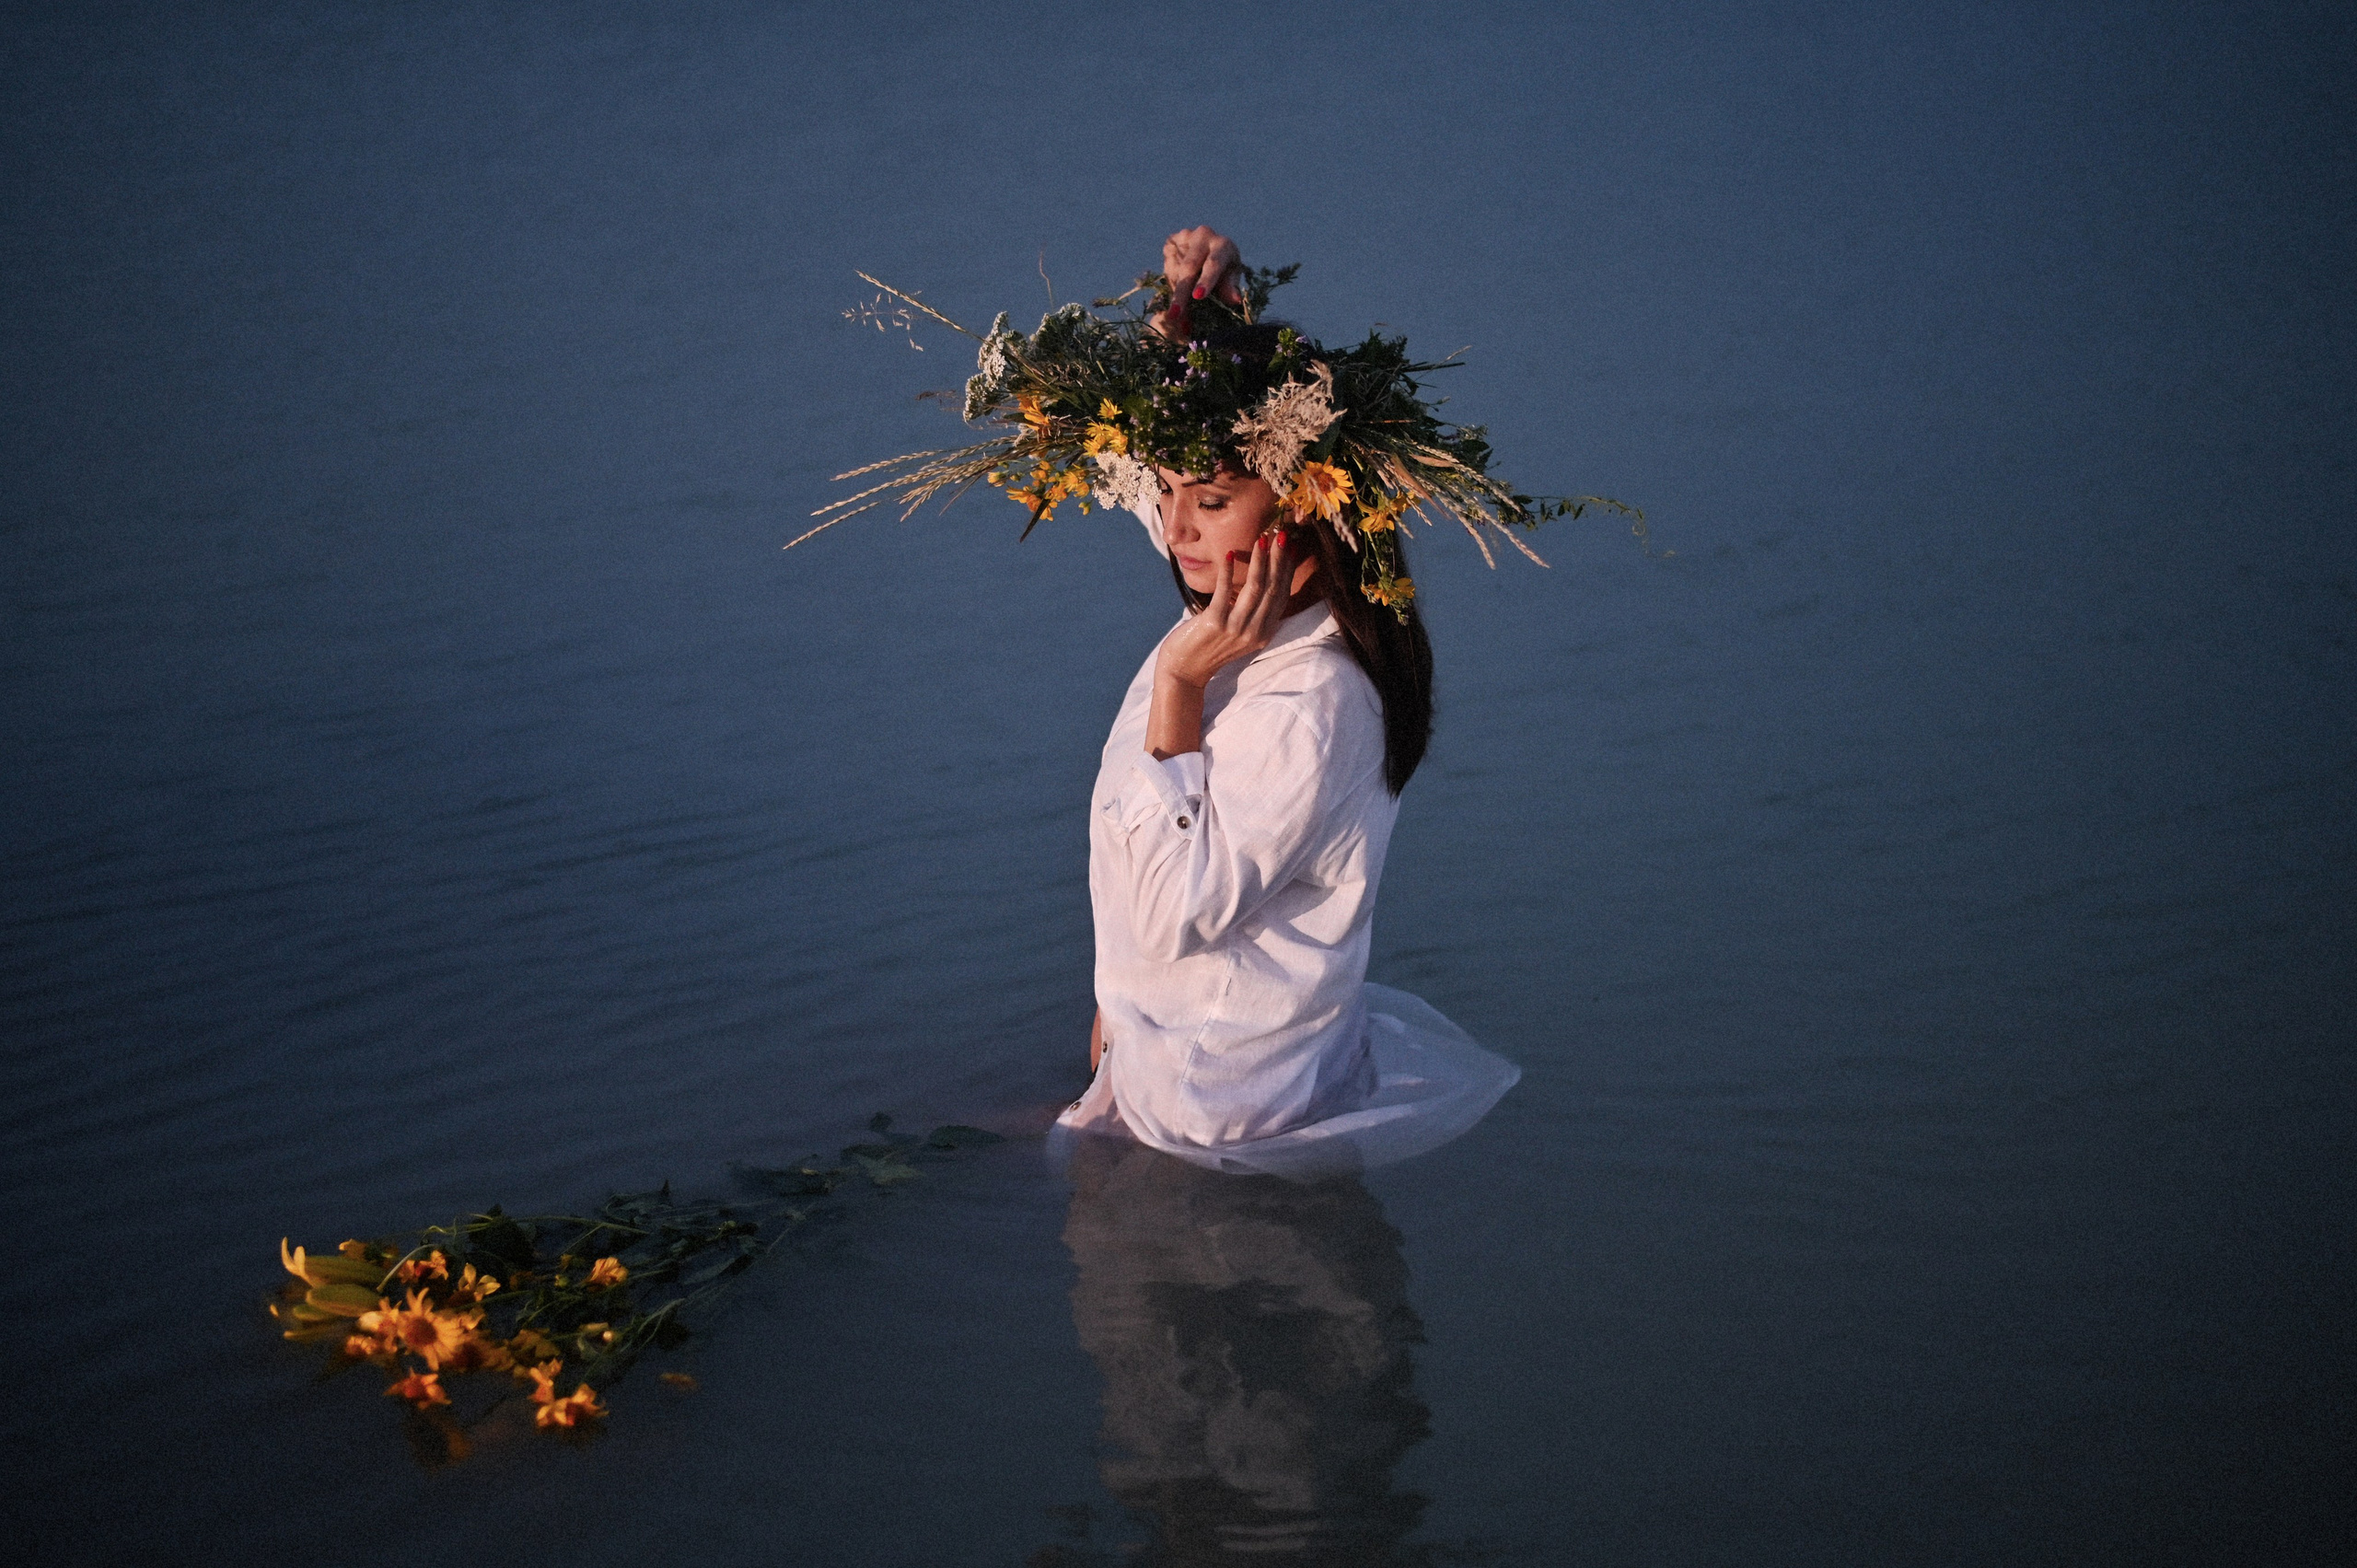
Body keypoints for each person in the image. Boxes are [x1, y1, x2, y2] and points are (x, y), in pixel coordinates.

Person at [1052, 226, 1520, 1180]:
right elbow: (1175, 482)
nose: (1174, 527)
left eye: (1208, 502)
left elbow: (1167, 911)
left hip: (1210, 1121)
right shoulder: (1238, 594)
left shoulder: (1313, 701)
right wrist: (1193, 327)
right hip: (1166, 1056)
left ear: (1303, 501)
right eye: (1167, 491)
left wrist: (1179, 685)